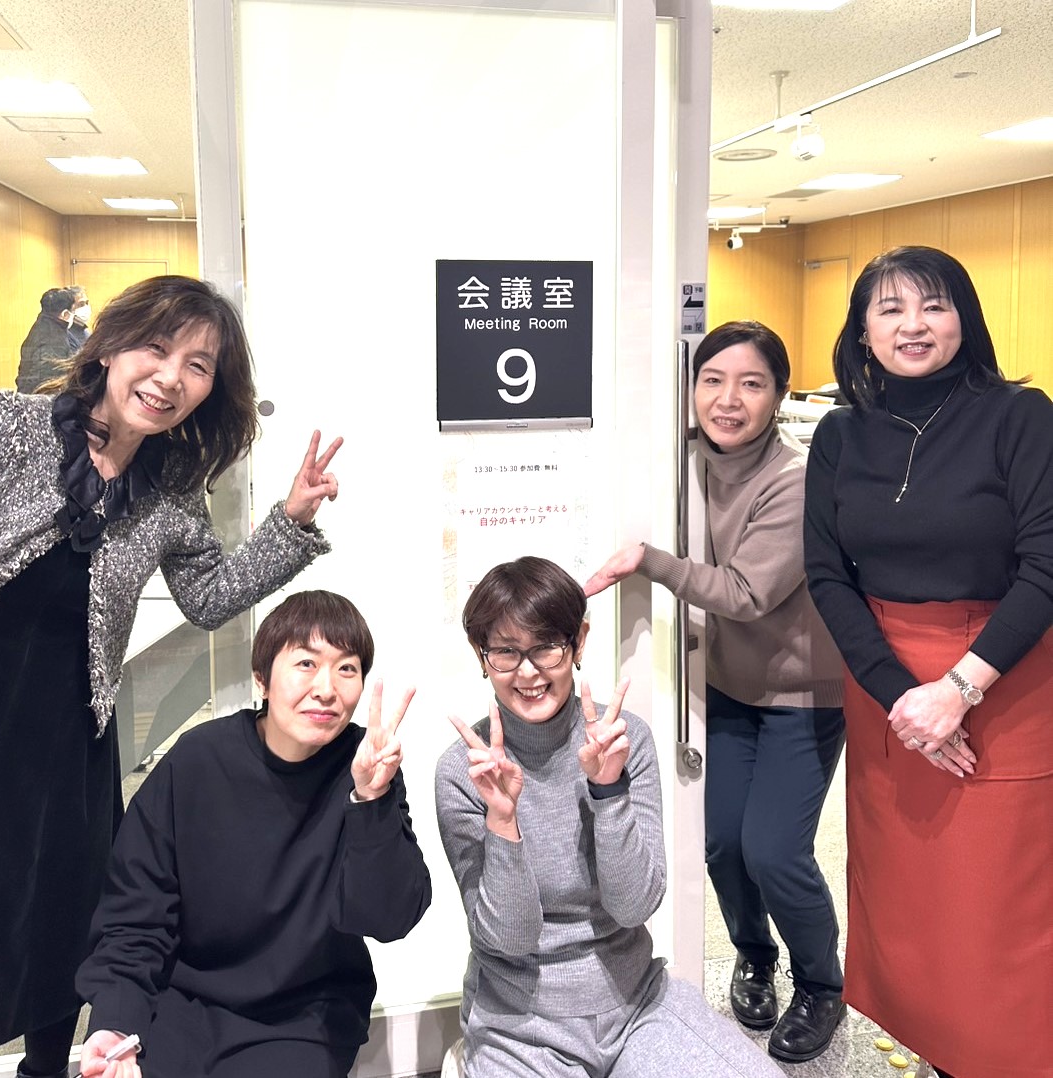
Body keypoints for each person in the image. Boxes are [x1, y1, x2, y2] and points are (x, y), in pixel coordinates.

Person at [0, 275, 343, 1078]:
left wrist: (292, 520)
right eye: (156, 348)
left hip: (71, 736)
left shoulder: (170, 487)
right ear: (110, 346)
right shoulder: (8, 423)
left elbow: (208, 599)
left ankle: (52, 1068)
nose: (170, 377)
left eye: (198, 365)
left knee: (65, 915)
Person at [803, 246, 1053, 1078]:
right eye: (890, 309)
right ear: (862, 331)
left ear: (964, 319)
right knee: (913, 910)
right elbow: (826, 574)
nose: (913, 325)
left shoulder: (1021, 417)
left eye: (934, 305)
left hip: (1001, 680)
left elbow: (1048, 564)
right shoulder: (839, 433)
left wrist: (957, 690)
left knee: (998, 914)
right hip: (889, 694)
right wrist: (902, 698)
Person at [585, 321, 848, 1064]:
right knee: (723, 843)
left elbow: (745, 592)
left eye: (752, 384)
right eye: (713, 380)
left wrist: (649, 560)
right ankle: (754, 955)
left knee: (775, 851)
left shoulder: (795, 480)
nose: (728, 400)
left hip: (803, 692)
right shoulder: (682, 461)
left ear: (779, 395)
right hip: (727, 685)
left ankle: (822, 984)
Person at [435, 556, 784, 1078]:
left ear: (578, 642)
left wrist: (609, 790)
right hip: (520, 1027)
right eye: (506, 651)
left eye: (546, 646)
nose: (527, 671)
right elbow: (509, 940)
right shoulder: (464, 771)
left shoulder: (625, 741)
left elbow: (634, 905)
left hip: (635, 1003)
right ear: (481, 655)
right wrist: (503, 822)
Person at [75, 589, 432, 1078]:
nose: (326, 688)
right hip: (185, 1003)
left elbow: (389, 919)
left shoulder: (364, 767)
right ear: (261, 678)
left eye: (347, 668)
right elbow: (136, 914)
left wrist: (371, 799)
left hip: (305, 1013)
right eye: (306, 663)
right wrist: (116, 1021)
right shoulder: (197, 762)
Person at [17, 287, 75, 392]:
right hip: (41, 397)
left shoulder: (38, 328)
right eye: (73, 311)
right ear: (65, 314)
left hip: (26, 394)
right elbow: (49, 381)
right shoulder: (55, 339)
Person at [65, 285, 92, 353]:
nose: (86, 307)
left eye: (87, 303)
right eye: (81, 304)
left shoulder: (86, 331)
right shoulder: (64, 336)